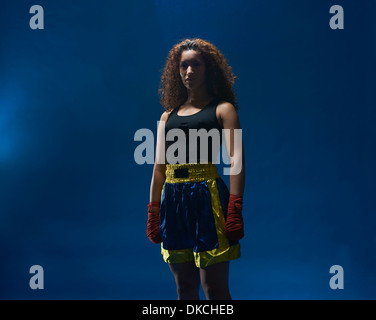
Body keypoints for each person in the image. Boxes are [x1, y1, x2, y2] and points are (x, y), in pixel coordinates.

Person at [147, 38, 245, 300]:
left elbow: (236, 160)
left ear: (207, 68)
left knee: (215, 289)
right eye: (183, 66)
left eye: (195, 65)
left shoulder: (223, 109)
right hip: (174, 201)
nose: (189, 71)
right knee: (185, 289)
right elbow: (159, 168)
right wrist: (153, 210)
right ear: (176, 71)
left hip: (207, 198)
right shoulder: (168, 116)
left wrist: (235, 207)